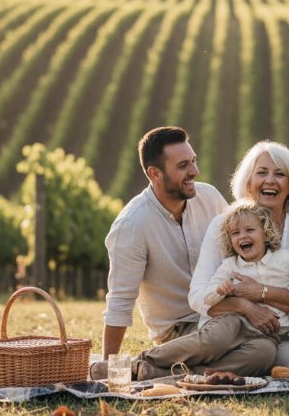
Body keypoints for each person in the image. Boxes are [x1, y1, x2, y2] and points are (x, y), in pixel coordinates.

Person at [92, 126, 227, 380]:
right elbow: (120, 300)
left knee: (263, 351)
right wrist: (108, 365)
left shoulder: (210, 198)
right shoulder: (132, 225)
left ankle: (152, 370)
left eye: (194, 161)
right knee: (228, 339)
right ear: (155, 173)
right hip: (178, 331)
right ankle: (145, 363)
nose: (194, 171)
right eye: (183, 165)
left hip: (222, 313)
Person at [132, 201, 289, 374]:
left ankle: (161, 373)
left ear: (265, 233)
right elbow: (205, 296)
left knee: (263, 356)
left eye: (249, 230)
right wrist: (219, 290)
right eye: (235, 233)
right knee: (212, 341)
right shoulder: (230, 265)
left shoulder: (283, 259)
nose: (243, 236)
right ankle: (145, 359)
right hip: (234, 322)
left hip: (269, 335)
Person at [190, 141, 289, 369]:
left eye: (279, 174)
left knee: (286, 363)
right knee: (238, 349)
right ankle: (165, 365)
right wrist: (246, 306)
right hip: (228, 327)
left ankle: (190, 371)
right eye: (262, 172)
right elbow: (197, 297)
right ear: (249, 183)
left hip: (282, 333)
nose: (270, 180)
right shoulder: (222, 225)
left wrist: (260, 292)